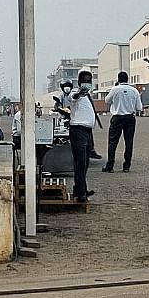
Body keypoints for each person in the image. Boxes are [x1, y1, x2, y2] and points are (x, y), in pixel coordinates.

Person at [58, 69, 99, 202]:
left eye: (89, 81)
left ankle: (80, 188)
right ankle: (81, 193)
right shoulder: (76, 93)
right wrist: (79, 93)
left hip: (87, 131)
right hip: (78, 130)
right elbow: (72, 97)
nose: (87, 83)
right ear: (80, 82)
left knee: (85, 162)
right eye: (85, 81)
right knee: (80, 162)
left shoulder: (88, 96)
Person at [103, 71, 142, 172]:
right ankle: (126, 166)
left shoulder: (115, 89)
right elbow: (139, 107)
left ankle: (110, 166)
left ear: (118, 79)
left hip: (117, 117)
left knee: (113, 142)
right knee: (129, 142)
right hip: (130, 118)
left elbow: (107, 100)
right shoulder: (134, 90)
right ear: (127, 79)